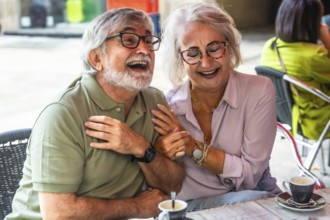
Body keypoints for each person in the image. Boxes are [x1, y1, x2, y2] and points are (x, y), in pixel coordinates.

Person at [5, 8, 186, 220]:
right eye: (128, 40)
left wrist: (142, 148)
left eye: (148, 40)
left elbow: (173, 186)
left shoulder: (154, 101)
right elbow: (57, 214)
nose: (145, 49)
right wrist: (136, 207)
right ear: (96, 58)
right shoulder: (63, 113)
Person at [150, 2, 282, 212]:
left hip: (253, 201)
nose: (206, 62)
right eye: (193, 53)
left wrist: (192, 147)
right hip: (193, 209)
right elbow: (161, 186)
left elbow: (249, 178)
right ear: (179, 58)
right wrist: (157, 153)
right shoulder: (168, 107)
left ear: (228, 47)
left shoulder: (259, 90)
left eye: (214, 48)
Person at [260, 0, 330, 141]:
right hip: (318, 123)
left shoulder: (270, 46)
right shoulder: (313, 56)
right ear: (313, 23)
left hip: (289, 117)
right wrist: (326, 39)